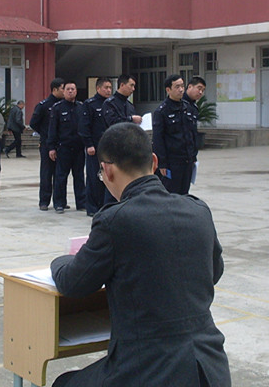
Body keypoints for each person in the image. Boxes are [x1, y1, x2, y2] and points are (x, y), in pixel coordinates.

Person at [50, 123, 231, 387]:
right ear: (154, 162)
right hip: (209, 368)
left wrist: (61, 261)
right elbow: (214, 271)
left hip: (149, 370)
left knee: (64, 383)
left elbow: (73, 282)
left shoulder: (115, 220)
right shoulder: (198, 210)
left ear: (107, 170)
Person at [152, 74, 198, 195]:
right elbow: (158, 139)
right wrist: (162, 163)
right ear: (168, 90)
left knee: (184, 193)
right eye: (177, 87)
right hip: (172, 162)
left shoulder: (188, 108)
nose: (181, 89)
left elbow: (193, 133)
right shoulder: (162, 111)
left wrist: (193, 156)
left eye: (182, 86)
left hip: (187, 160)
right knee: (170, 194)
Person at [47, 81, 86, 214]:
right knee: (60, 177)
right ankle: (59, 203)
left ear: (76, 91)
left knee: (79, 176)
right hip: (63, 148)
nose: (70, 91)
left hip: (79, 148)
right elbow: (52, 129)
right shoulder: (57, 108)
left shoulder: (81, 107)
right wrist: (51, 147)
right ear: (63, 92)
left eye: (73, 89)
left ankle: (81, 203)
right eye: (68, 89)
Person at [78, 77, 113, 216]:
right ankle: (92, 208)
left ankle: (105, 205)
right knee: (94, 178)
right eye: (106, 87)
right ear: (98, 88)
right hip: (95, 147)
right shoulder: (90, 104)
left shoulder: (112, 104)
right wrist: (89, 144)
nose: (108, 90)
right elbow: (84, 126)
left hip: (109, 148)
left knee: (109, 177)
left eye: (110, 87)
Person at [29, 78, 65, 211]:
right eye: (63, 88)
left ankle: (60, 201)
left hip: (61, 144)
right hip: (47, 144)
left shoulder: (64, 105)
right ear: (55, 89)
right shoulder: (44, 105)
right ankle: (44, 201)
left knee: (60, 174)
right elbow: (33, 123)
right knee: (46, 173)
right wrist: (46, 134)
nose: (65, 91)